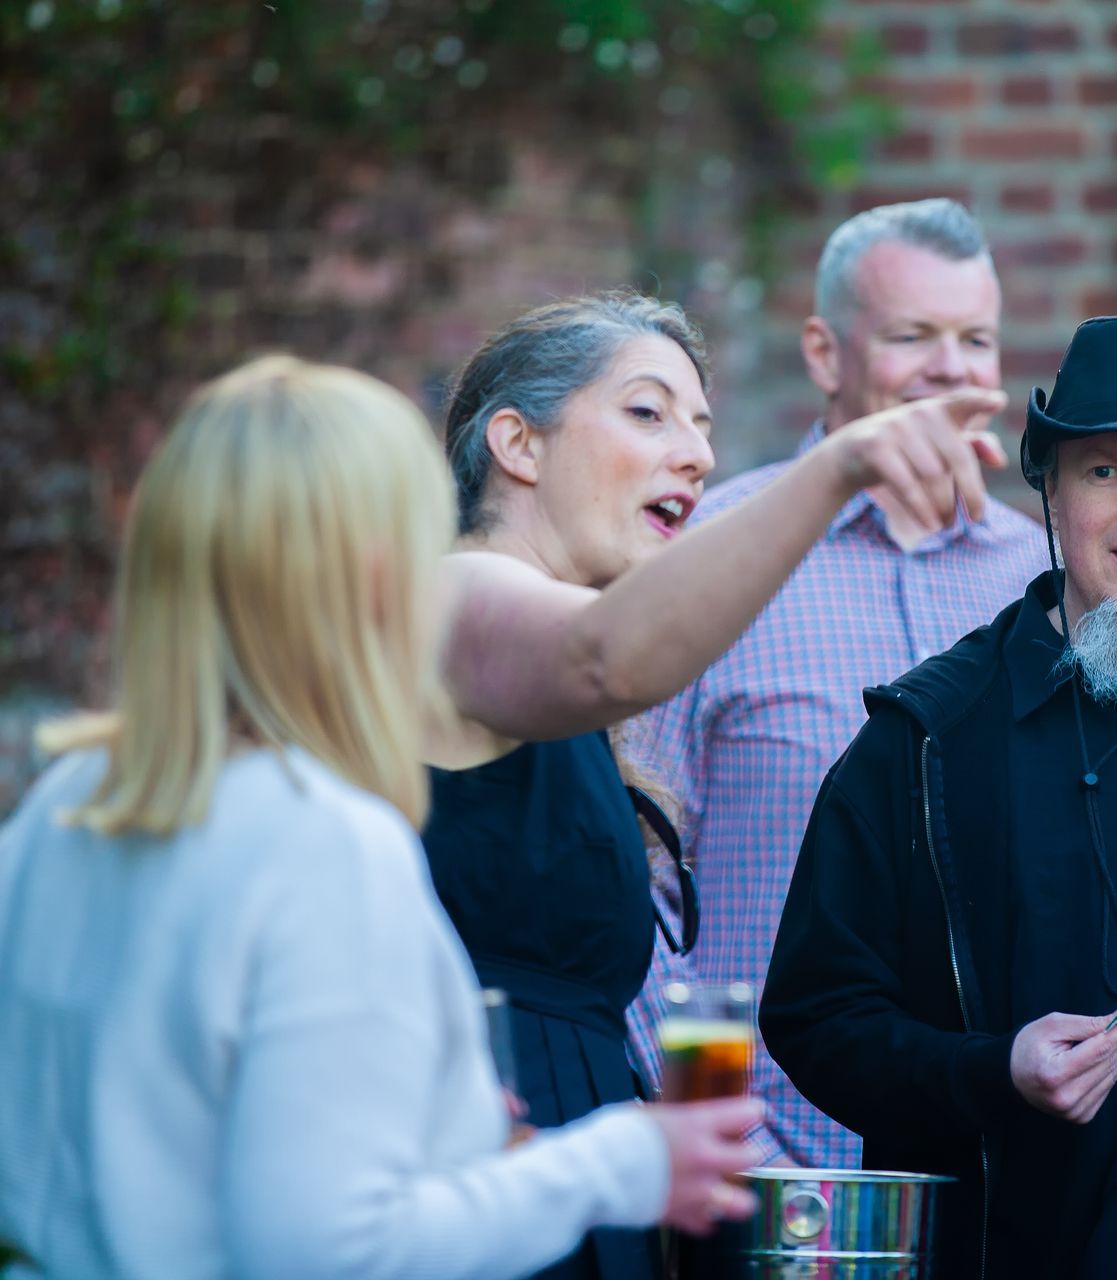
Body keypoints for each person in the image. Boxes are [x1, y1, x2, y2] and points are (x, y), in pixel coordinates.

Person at [0, 357, 761, 1279]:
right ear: (369, 568)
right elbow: (336, 1247)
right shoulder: (320, 843)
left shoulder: (65, 806)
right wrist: (622, 1164)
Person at [423, 292, 1007, 1279]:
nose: (695, 454)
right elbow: (604, 659)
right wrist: (840, 467)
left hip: (573, 1188)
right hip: (480, 1188)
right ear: (518, 443)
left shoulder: (563, 688)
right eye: (649, 412)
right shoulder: (458, 592)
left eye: (703, 426)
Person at [761, 314, 1117, 1279]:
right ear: (1049, 487)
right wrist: (989, 1072)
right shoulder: (925, 741)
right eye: (1105, 471)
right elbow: (816, 1017)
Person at [616, 199, 1047, 1169]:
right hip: (761, 1163)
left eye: (975, 338)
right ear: (824, 352)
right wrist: (715, 1131)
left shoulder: (1041, 588)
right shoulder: (707, 561)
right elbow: (635, 894)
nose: (951, 368)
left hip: (996, 1179)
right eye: (912, 335)